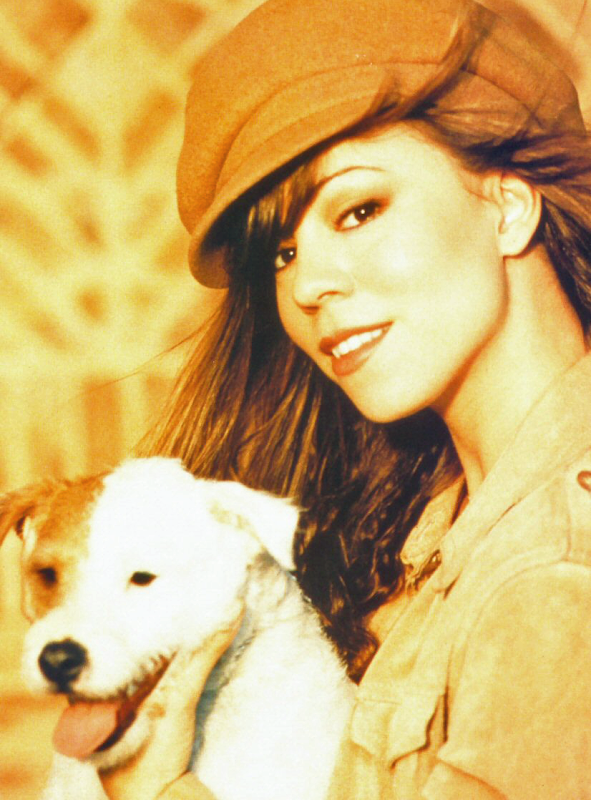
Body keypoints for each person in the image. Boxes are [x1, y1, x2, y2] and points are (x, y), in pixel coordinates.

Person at [101, 0, 591, 797]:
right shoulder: (443, 530)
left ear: (507, 206)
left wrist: (155, 789)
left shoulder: (553, 575)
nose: (307, 286)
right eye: (282, 252)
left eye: (359, 210)